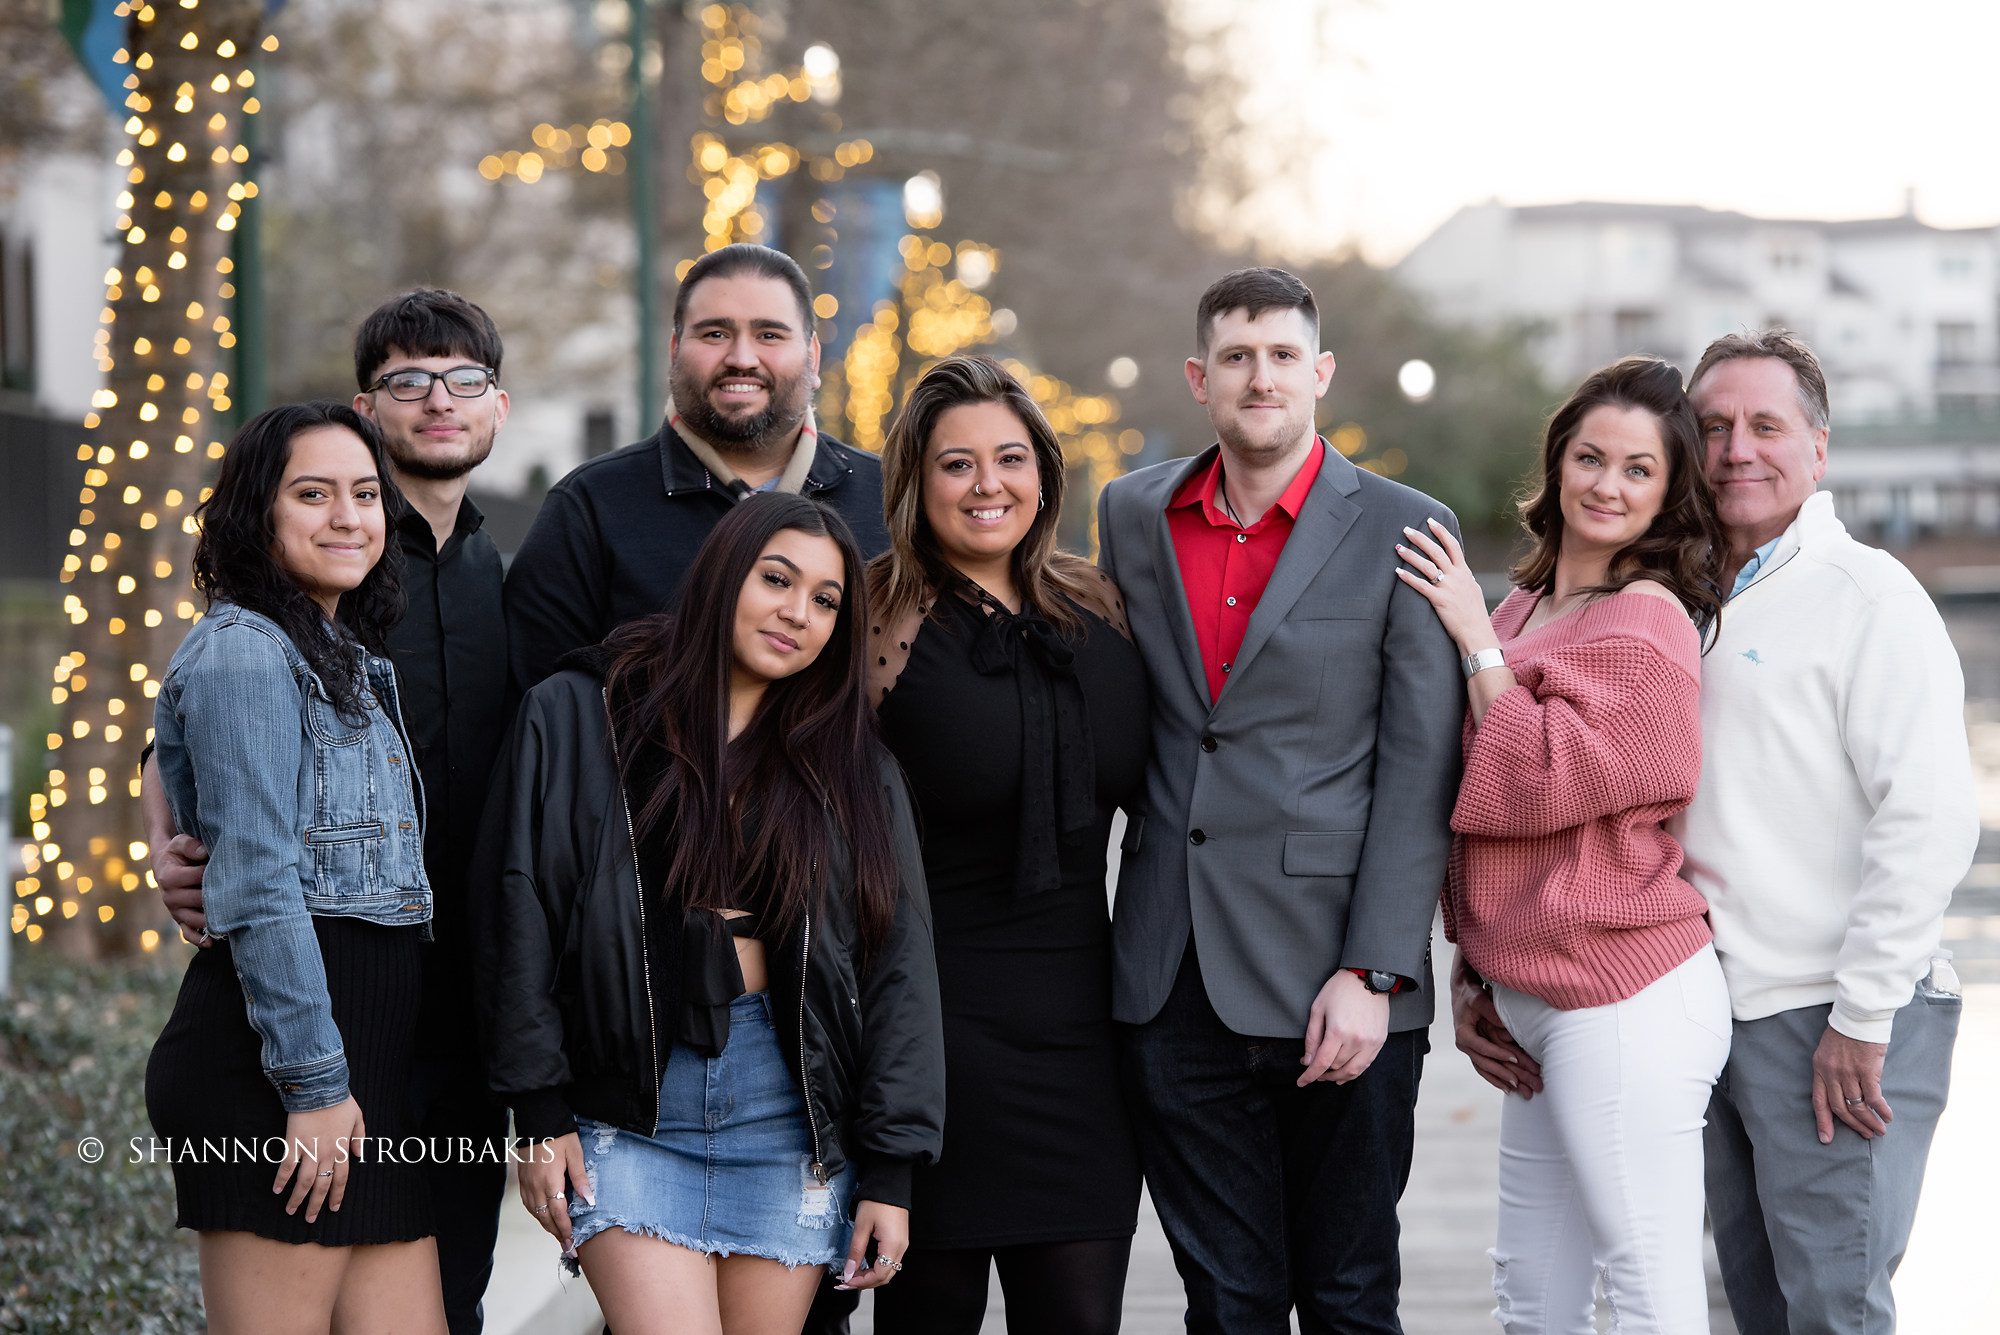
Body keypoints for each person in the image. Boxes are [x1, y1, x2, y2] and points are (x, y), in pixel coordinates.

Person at [473, 493, 946, 1335]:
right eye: (777, 579)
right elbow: (517, 914)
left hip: (787, 1115)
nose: (797, 612)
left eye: (826, 600)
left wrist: (892, 1170)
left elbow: (898, 969)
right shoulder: (580, 712)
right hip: (630, 1108)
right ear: (724, 574)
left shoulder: (853, 767)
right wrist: (538, 1111)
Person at [1095, 267, 1464, 1333]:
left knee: (1349, 1298)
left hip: (1338, 975)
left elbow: (1418, 771)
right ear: (1199, 376)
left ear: (1321, 372)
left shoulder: (1405, 527)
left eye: (1282, 356)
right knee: (1226, 1302)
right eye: (1237, 357)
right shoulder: (1132, 513)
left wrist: (1376, 969)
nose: (1261, 378)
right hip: (1170, 976)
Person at [146, 290, 515, 1334]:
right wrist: (313, 1084)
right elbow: (255, 864)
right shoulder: (249, 649)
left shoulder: (356, 644)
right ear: (257, 512)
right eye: (314, 494)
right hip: (293, 1061)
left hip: (390, 1055)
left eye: (361, 495)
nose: (349, 515)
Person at [1398, 356, 1731, 1334]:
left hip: (1625, 997)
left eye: (1637, 469)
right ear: (1557, 463)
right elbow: (1471, 805)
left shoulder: (1647, 622)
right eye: (1590, 457)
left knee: (1646, 1289)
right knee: (1532, 1297)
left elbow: (1541, 777)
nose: (1606, 484)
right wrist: (1475, 974)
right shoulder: (1520, 608)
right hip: (1531, 994)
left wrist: (1471, 640)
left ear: (1668, 494)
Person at [1669, 331, 1976, 1335]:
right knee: (1760, 1309)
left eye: (1765, 425)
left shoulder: (1866, 597)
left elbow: (1929, 816)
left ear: (1817, 448)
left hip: (1831, 1015)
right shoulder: (1683, 598)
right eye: (1713, 427)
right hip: (1717, 1011)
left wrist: (1861, 1014)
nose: (1736, 450)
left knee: (1835, 1311)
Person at [861, 355, 1150, 1334]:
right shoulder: (874, 617)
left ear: (1044, 474)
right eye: (957, 463)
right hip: (932, 1040)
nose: (988, 484)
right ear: (916, 481)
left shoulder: (1100, 605)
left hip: (1086, 1039)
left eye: (1010, 458)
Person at [503, 243, 891, 697]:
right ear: (675, 351)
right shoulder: (591, 506)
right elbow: (537, 705)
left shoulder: (890, 500)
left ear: (813, 358)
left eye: (769, 335)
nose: (742, 358)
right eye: (715, 334)